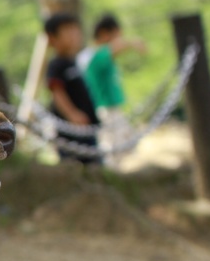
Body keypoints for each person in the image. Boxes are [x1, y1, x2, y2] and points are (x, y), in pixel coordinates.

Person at [78, 14, 146, 163]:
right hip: (106, 109)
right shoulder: (97, 55)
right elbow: (115, 48)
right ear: (104, 33)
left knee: (124, 147)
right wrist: (133, 43)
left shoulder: (102, 56)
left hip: (113, 108)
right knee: (113, 151)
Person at [44, 12, 102, 166]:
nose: (74, 35)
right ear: (52, 38)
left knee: (94, 164)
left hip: (87, 127)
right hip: (71, 131)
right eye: (68, 31)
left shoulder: (74, 61)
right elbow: (57, 92)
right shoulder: (56, 65)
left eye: (76, 30)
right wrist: (72, 114)